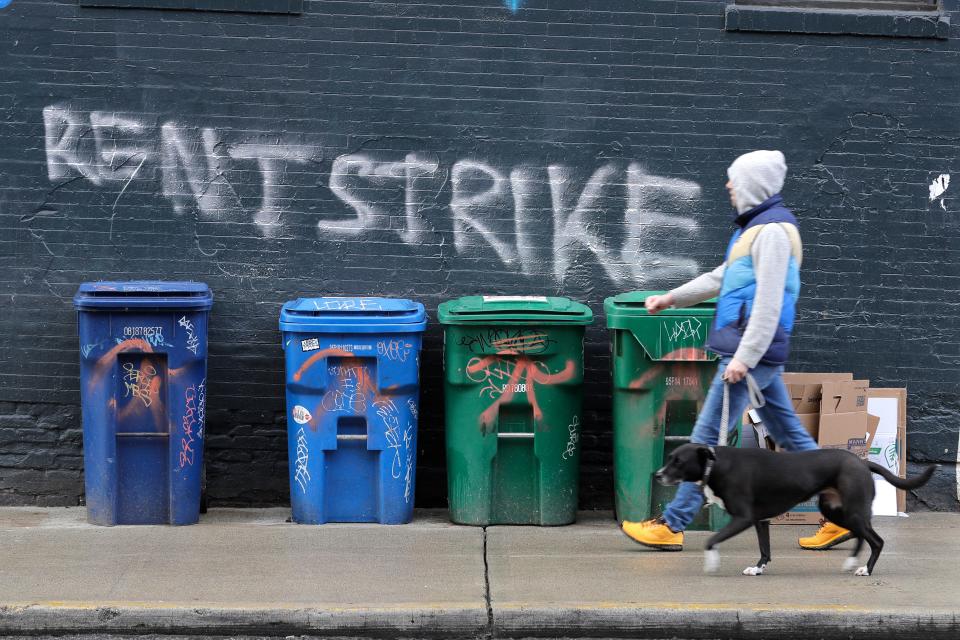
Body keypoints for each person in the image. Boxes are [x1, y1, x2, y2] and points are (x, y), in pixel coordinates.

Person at [620, 150, 852, 552]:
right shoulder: (755, 230)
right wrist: (672, 298)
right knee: (790, 435)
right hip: (755, 350)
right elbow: (722, 277)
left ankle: (672, 525)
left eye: (733, 179)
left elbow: (769, 302)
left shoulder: (774, 232)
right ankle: (842, 512)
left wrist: (744, 358)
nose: (727, 185)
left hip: (752, 352)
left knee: (704, 439)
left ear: (752, 184)